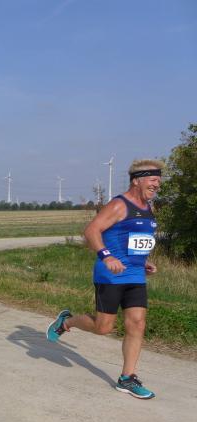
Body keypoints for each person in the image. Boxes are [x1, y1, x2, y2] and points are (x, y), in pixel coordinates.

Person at [47, 159, 163, 399]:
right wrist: (106, 256)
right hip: (111, 275)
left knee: (137, 324)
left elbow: (134, 239)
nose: (157, 185)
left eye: (159, 181)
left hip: (135, 275)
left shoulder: (148, 207)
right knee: (103, 328)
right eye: (153, 180)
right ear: (137, 180)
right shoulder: (119, 205)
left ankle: (127, 378)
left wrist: (144, 261)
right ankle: (66, 322)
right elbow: (91, 230)